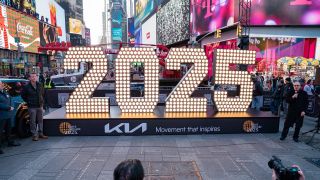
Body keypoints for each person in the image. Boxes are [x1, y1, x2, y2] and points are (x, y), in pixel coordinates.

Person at [21, 73, 48, 141]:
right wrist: (28, 101)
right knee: (32, 121)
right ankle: (34, 135)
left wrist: (42, 103)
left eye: (35, 76)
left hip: (40, 106)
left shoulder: (40, 84)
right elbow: (23, 95)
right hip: (32, 107)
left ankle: (41, 133)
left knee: (40, 120)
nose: (34, 78)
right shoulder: (26, 86)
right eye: (32, 77)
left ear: (37, 77)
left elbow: (43, 94)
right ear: (29, 78)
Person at [0, 80, 21, 154]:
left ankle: (9, 142)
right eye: (1, 84)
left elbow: (9, 98)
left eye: (2, 84)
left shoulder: (4, 91)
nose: (2, 85)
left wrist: (11, 106)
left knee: (8, 130)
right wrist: (8, 107)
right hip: (2, 115)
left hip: (8, 115)